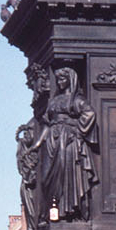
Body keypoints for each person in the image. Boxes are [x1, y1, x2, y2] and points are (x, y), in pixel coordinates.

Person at [35, 68, 98, 222]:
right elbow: (47, 123)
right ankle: (50, 212)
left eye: (63, 79)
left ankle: (69, 212)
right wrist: (36, 144)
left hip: (66, 141)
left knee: (66, 174)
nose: (60, 82)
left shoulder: (77, 100)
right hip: (52, 141)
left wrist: (75, 129)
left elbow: (89, 114)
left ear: (71, 79)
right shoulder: (54, 101)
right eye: (58, 80)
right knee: (45, 179)